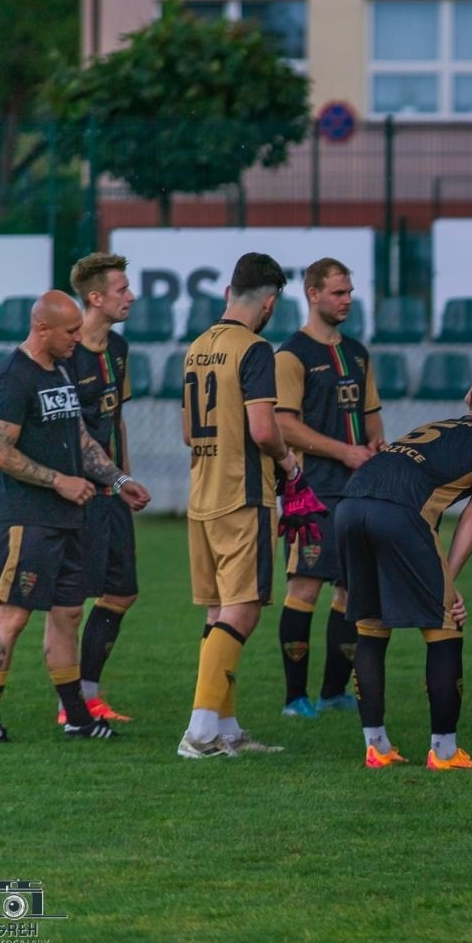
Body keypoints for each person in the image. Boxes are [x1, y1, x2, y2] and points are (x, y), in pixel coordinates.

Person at [0, 291, 148, 744]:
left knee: (69, 612)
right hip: (27, 518)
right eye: (71, 331)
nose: (78, 338)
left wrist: (117, 479)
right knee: (13, 617)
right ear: (43, 329)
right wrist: (59, 482)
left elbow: (82, 438)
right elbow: (0, 454)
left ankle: (76, 717)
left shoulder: (64, 369)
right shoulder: (13, 379)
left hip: (69, 516)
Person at [178, 253, 325, 759]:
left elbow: (185, 431)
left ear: (227, 294)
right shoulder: (256, 349)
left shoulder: (197, 347)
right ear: (269, 302)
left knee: (220, 611)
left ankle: (225, 728)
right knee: (242, 612)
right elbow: (264, 429)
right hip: (243, 495)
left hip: (202, 495)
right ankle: (199, 733)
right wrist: (290, 463)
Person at [339, 377, 472, 770]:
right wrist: (448, 583)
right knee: (445, 627)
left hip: (350, 503)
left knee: (370, 628)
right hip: (400, 513)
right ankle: (444, 752)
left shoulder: (435, 426)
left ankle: (377, 747)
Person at [273, 258, 385, 719]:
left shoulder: (357, 353)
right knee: (305, 587)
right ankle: (294, 698)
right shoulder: (291, 355)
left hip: (357, 489)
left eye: (349, 292)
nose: (346, 300)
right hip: (313, 490)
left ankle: (333, 692)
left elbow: (371, 414)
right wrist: (344, 452)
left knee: (350, 589)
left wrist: (379, 447)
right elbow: (284, 426)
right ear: (313, 293)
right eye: (338, 293)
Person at [66, 254, 145, 726]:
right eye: (121, 290)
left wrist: (126, 479)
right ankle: (69, 703)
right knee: (70, 603)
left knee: (121, 592)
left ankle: (88, 694)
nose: (130, 296)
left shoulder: (117, 347)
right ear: (95, 298)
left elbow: (118, 420)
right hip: (78, 494)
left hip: (114, 492)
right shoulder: (66, 353)